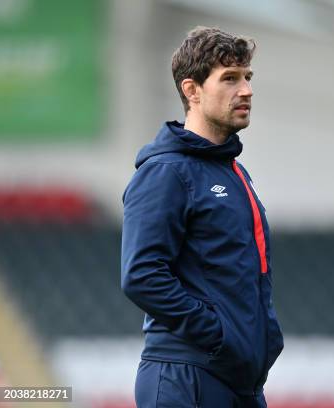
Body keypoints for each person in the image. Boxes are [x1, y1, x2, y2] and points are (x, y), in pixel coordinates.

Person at [121, 27, 283, 408]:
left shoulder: (233, 171)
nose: (246, 90)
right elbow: (141, 275)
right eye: (229, 78)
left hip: (238, 379)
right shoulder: (165, 172)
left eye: (247, 77)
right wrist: (218, 335)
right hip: (187, 377)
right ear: (192, 90)